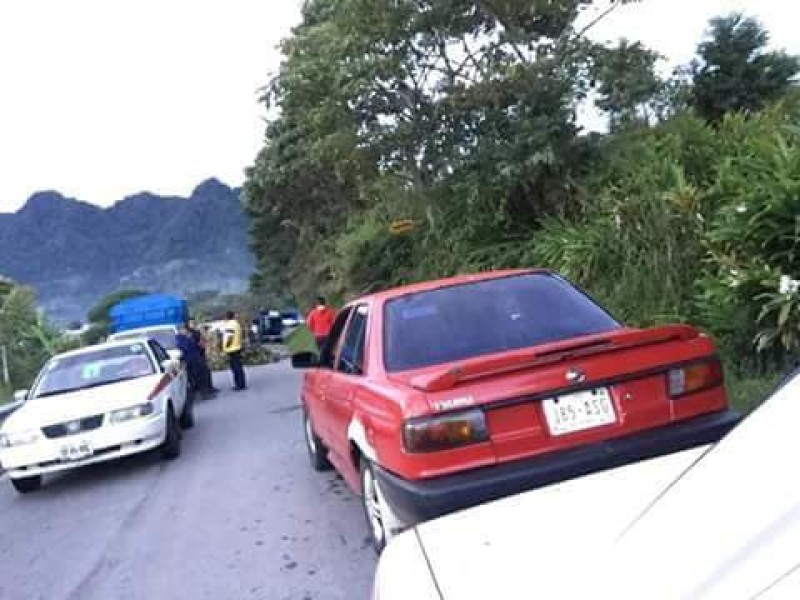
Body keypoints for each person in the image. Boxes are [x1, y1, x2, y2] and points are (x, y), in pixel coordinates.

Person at [188, 318, 219, 396]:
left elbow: (203, 340)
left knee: (207, 372)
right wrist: (203, 345)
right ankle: (205, 391)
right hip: (196, 356)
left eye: (194, 322)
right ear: (188, 324)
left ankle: (210, 387)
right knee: (202, 374)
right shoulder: (190, 333)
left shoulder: (197, 331)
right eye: (191, 323)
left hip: (202, 354)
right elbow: (198, 343)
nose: (193, 324)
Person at [175, 323, 204, 395]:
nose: (185, 330)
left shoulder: (187, 336)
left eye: (185, 329)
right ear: (179, 330)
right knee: (194, 376)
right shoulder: (179, 338)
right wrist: (188, 338)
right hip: (189, 359)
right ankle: (200, 392)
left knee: (200, 375)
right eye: (183, 329)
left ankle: (203, 391)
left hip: (195, 357)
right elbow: (185, 347)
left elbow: (195, 345)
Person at [223, 310, 246, 391]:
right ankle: (241, 384)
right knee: (238, 367)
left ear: (227, 317)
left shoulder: (230, 325)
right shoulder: (236, 324)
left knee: (235, 368)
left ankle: (239, 385)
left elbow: (229, 336)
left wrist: (226, 346)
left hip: (232, 349)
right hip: (237, 347)